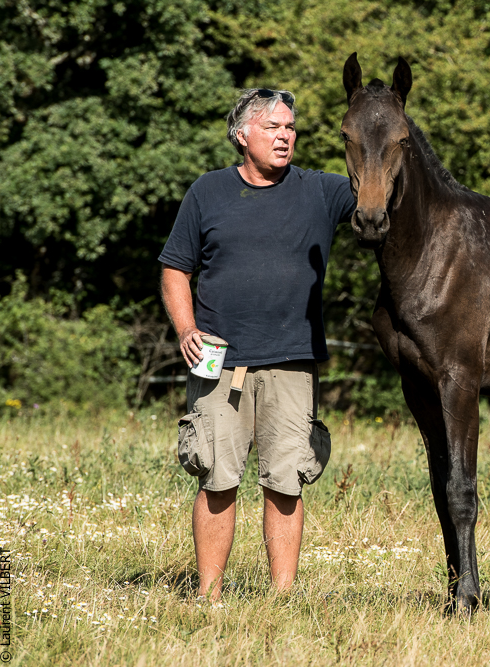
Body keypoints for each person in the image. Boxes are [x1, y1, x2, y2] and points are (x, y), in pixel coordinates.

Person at [158, 88, 355, 600]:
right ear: (242, 135)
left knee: (286, 482)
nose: (285, 136)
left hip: (292, 360)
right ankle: (209, 596)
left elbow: (384, 191)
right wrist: (186, 330)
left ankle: (282, 598)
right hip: (219, 362)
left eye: (290, 127)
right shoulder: (207, 192)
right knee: (218, 479)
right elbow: (176, 267)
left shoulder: (322, 191)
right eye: (273, 127)